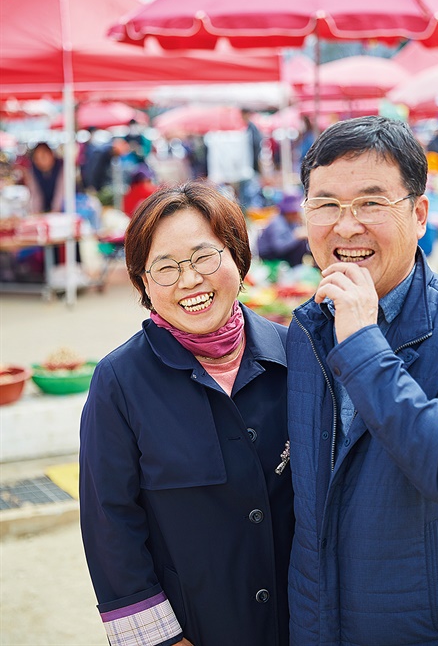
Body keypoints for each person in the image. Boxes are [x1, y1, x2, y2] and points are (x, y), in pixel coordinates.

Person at [79, 182, 294, 646]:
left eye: (203, 258)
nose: (189, 280)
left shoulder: (294, 355)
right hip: (195, 629)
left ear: (237, 258)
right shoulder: (120, 381)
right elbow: (109, 523)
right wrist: (162, 640)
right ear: (142, 284)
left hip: (300, 622)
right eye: (166, 268)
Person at [287, 116, 438, 645]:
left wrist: (363, 338)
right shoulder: (306, 327)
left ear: (419, 216)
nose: (346, 227)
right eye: (326, 205)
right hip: (319, 623)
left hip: (423, 626)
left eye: (370, 202)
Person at [257, 193, 311, 267]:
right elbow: (278, 247)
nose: (296, 215)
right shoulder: (277, 223)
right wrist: (296, 236)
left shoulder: (292, 221)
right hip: (270, 256)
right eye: (294, 212)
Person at [23, 142, 64, 213]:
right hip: (44, 210)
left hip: (63, 210)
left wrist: (55, 211)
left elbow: (61, 192)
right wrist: (35, 212)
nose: (41, 161)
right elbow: (35, 194)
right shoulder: (33, 171)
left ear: (51, 154)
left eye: (43, 156)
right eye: (37, 158)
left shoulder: (62, 167)